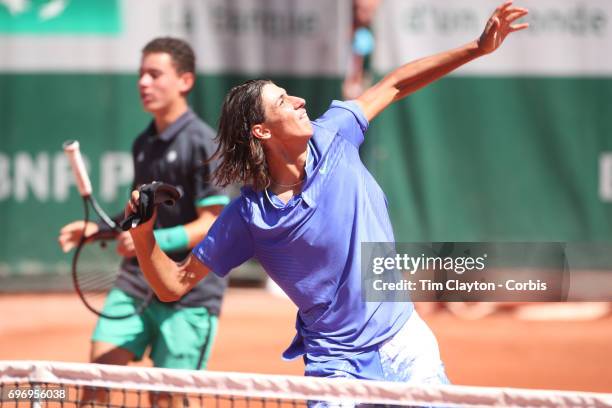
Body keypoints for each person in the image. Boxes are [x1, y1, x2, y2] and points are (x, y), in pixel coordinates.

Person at [126, 1, 528, 388]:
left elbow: (395, 83)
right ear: (261, 131)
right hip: (334, 362)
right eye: (283, 101)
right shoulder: (249, 215)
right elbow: (173, 285)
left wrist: (477, 48)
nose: (300, 101)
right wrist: (144, 236)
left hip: (402, 341)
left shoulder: (334, 132)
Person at [58, 37, 229, 402]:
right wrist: (100, 231)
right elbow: (140, 213)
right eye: (140, 74)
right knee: (95, 378)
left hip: (188, 289)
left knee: (163, 398)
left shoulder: (204, 143)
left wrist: (150, 242)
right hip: (136, 282)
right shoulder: (143, 143)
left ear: (185, 81)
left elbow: (212, 223)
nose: (143, 83)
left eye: (155, 74)